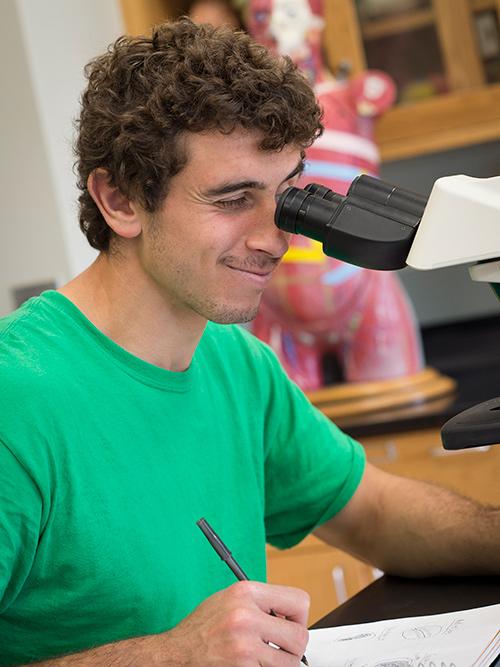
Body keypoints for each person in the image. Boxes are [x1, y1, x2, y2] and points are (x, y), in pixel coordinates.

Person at [0, 17, 498, 667]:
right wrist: (171, 655)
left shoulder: (237, 363)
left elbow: (373, 511)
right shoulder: (20, 401)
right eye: (234, 198)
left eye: (284, 194)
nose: (276, 237)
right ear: (120, 200)